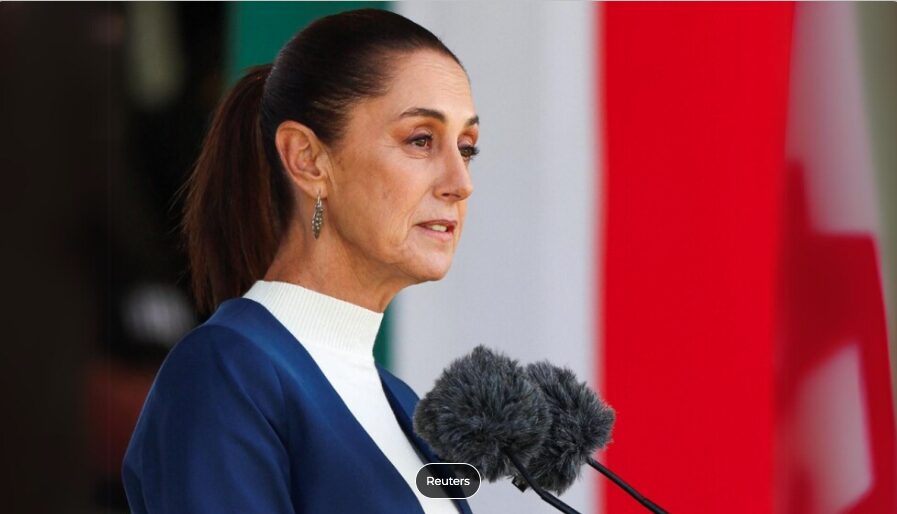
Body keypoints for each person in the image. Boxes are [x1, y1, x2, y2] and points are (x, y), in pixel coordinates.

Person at [122, 9, 479, 514]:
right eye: (421, 140)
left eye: (467, 148)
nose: (460, 183)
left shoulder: (404, 405)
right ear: (307, 159)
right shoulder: (224, 373)